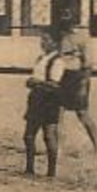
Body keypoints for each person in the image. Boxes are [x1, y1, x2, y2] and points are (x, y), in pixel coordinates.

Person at [22, 36, 71, 178]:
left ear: (55, 43)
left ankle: (51, 171)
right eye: (42, 40)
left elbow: (55, 85)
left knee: (49, 136)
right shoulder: (40, 58)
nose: (43, 43)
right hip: (36, 99)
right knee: (28, 135)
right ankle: (29, 168)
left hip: (49, 101)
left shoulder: (58, 61)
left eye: (47, 40)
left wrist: (36, 82)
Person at [52, 11, 97, 155]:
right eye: (62, 17)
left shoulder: (82, 36)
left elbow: (88, 64)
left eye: (68, 17)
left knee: (82, 113)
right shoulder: (59, 35)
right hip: (61, 76)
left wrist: (83, 85)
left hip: (77, 76)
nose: (65, 20)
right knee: (58, 113)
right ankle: (58, 148)